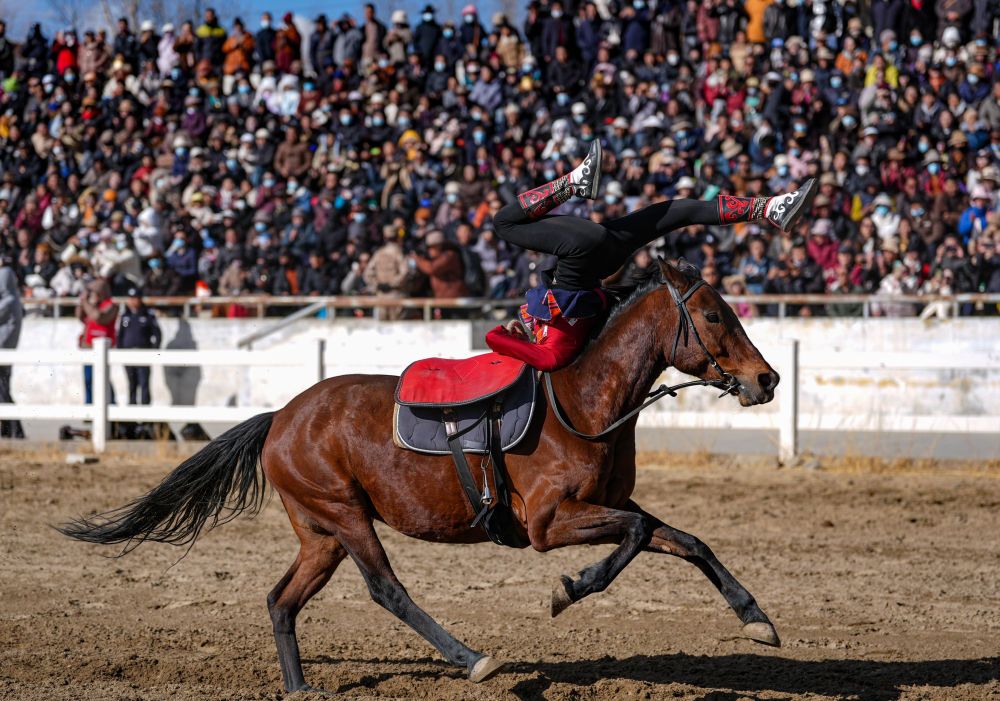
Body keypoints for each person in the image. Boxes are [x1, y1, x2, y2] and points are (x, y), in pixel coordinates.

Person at [486, 141, 818, 370]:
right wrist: (515, 340)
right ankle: (576, 181)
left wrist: (523, 335)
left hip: (606, 258)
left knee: (680, 211)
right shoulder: (553, 356)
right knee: (503, 222)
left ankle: (773, 207)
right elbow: (492, 337)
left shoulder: (565, 340)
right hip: (583, 255)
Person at [117, 287, 161, 406]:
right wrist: (119, 352)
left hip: (143, 354)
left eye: (135, 298)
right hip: (128, 355)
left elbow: (157, 334)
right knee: (132, 384)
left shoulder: (147, 315)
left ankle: (146, 419)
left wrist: (154, 351)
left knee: (144, 384)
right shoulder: (126, 316)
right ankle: (132, 419)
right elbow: (121, 335)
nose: (132, 301)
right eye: (130, 298)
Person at [77, 279, 117, 405]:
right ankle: (89, 406)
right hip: (88, 347)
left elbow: (98, 317)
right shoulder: (91, 305)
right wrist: (83, 301)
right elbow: (79, 316)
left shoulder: (111, 306)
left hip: (103, 349)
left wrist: (86, 303)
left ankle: (111, 405)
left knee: (103, 379)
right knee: (88, 380)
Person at [0, 254, 24, 438]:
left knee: (3, 391)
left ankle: (13, 430)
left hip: (3, 352)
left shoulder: (8, 303)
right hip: (5, 351)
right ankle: (12, 430)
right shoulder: (12, 302)